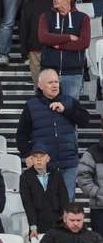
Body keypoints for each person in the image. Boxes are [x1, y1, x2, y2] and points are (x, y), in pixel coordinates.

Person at [17, 69, 87, 201]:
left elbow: (85, 120)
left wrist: (66, 110)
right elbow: (21, 136)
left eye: (56, 82)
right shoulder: (31, 106)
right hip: (45, 165)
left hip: (69, 163)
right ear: (40, 85)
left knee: (66, 204)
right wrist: (27, 155)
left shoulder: (69, 101)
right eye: (50, 82)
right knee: (48, 205)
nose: (55, 85)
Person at [36, 0, 91, 102]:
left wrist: (58, 44)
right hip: (48, 73)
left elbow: (84, 43)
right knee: (46, 112)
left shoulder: (83, 18)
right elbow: (44, 38)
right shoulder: (46, 16)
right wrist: (69, 37)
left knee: (70, 113)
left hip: (73, 74)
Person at [19, 144, 69, 238]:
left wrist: (65, 219)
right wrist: (33, 226)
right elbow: (27, 203)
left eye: (42, 156)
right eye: (35, 157)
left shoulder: (56, 174)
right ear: (31, 159)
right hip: (38, 221)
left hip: (57, 220)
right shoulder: (25, 177)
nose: (38, 160)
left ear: (48, 158)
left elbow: (64, 197)